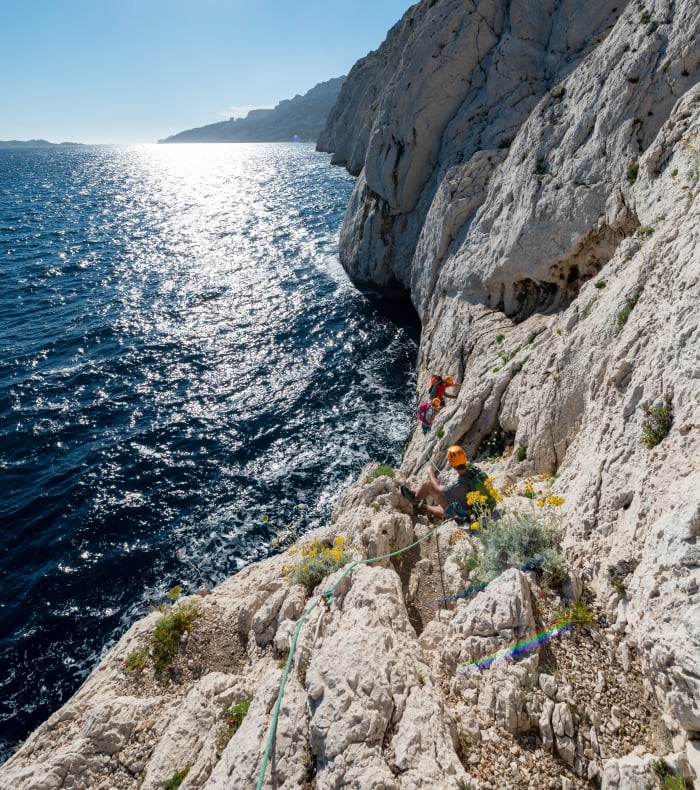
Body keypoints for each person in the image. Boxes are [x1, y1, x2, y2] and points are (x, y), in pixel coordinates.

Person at [401, 445, 483, 521]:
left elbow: (437, 488)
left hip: (463, 510)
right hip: (470, 502)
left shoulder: (457, 485)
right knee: (428, 484)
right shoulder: (474, 470)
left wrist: (430, 472)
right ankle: (415, 499)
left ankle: (422, 506)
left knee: (445, 512)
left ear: (451, 463)